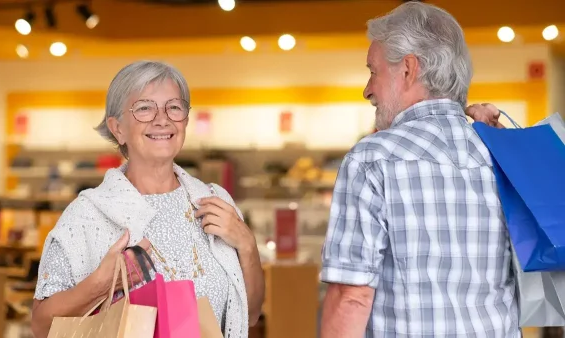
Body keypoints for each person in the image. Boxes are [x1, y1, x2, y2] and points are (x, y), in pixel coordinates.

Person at [320, 2, 519, 337]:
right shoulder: (500, 153)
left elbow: (351, 297)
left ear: (408, 69)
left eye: (373, 71)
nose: (368, 90)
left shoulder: (373, 159)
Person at [31, 61, 265, 338]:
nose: (162, 119)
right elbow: (41, 326)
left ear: (185, 121)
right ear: (117, 128)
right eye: (144, 108)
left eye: (174, 107)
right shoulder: (88, 214)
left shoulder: (215, 200)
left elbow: (250, 314)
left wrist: (247, 245)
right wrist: (102, 284)